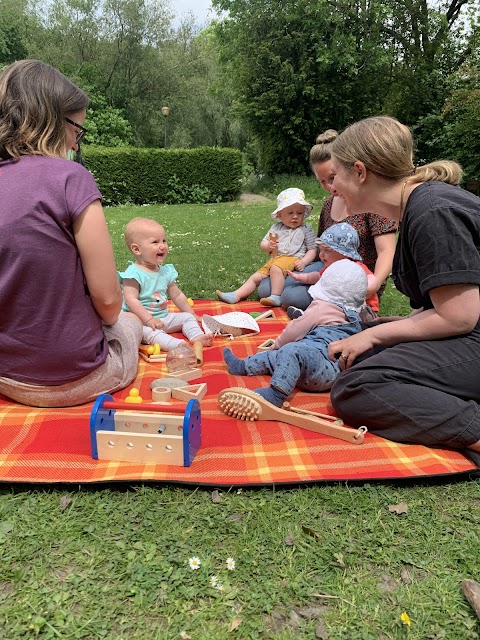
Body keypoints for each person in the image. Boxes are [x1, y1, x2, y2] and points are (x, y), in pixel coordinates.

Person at [325, 115, 480, 452]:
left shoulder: (431, 211)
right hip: (470, 335)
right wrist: (405, 324)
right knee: (363, 358)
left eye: (336, 176)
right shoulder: (417, 207)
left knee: (357, 387)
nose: (333, 188)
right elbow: (452, 305)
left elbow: (460, 316)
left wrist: (375, 333)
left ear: (361, 172)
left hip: (472, 335)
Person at [0, 60, 143, 408]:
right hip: (74, 378)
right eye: (76, 130)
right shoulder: (70, 178)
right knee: (128, 323)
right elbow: (109, 302)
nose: (76, 145)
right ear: (50, 119)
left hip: (6, 375)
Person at [257, 130, 397, 310]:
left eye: (332, 178)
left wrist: (374, 283)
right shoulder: (329, 204)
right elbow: (320, 248)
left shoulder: (371, 201)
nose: (330, 187)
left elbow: (387, 252)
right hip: (325, 268)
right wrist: (289, 261)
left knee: (291, 297)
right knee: (266, 288)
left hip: (356, 277)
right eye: (322, 181)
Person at [223, 260, 367, 407]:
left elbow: (294, 330)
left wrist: (277, 346)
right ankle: (241, 366)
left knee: (286, 351)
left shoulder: (321, 307)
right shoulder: (359, 313)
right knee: (281, 356)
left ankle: (276, 394)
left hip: (316, 367)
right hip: (334, 371)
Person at [119, 218, 213, 351]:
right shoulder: (133, 274)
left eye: (164, 240)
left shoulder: (165, 271)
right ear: (137, 249)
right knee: (153, 334)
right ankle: (175, 345)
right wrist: (149, 320)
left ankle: (197, 336)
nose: (162, 246)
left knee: (186, 318)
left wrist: (191, 313)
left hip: (163, 317)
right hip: (141, 322)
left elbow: (177, 295)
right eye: (155, 242)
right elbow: (131, 300)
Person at [216, 188, 317, 307]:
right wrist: (268, 246)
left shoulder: (305, 229)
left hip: (292, 258)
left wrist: (304, 262)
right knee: (256, 277)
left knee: (275, 268)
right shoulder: (276, 228)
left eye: (299, 213)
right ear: (280, 214)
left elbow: (312, 249)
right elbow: (263, 243)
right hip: (274, 259)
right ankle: (236, 295)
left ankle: (276, 296)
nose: (295, 216)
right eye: (290, 213)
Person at [286, 222, 379, 321]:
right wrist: (302, 277)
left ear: (344, 253)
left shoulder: (355, 268)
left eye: (327, 250)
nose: (321, 254)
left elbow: (372, 280)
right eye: (321, 250)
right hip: (337, 308)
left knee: (360, 322)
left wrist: (360, 288)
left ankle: (310, 318)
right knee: (324, 307)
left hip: (362, 309)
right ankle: (308, 317)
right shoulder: (330, 267)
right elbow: (318, 276)